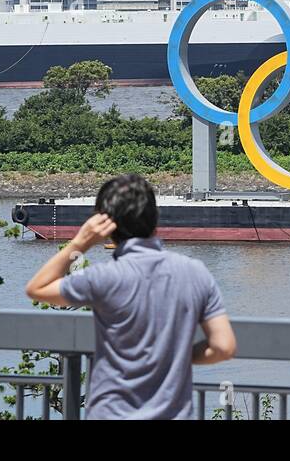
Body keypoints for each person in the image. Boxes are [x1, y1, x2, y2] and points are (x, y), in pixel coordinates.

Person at [26, 173, 235, 419]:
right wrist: (174, 356)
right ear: (155, 216)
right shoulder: (195, 273)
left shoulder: (103, 277)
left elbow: (37, 288)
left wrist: (81, 242)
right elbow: (224, 347)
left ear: (105, 223)